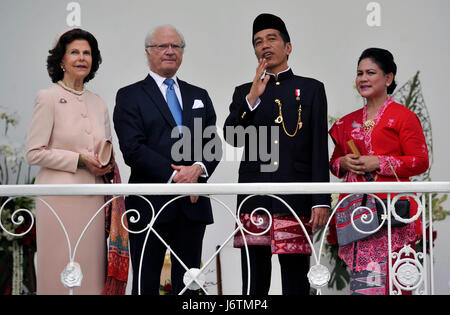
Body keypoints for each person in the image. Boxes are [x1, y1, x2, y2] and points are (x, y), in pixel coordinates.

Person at [223, 13, 331, 295]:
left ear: (288, 47)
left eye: (271, 39)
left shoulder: (311, 89)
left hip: (295, 196)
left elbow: (319, 147)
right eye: (258, 42)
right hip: (254, 196)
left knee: (295, 281)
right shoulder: (243, 92)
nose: (264, 46)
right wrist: (252, 98)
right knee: (253, 283)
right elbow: (232, 137)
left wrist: (321, 199)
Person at [113, 25, 221, 295]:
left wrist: (197, 170)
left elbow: (213, 144)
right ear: (149, 52)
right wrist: (177, 176)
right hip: (149, 204)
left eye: (176, 46)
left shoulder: (199, 95)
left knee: (190, 282)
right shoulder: (129, 96)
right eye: (162, 46)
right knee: (146, 281)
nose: (170, 51)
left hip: (192, 202)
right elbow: (132, 149)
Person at [328, 47, 429, 295]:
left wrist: (379, 163)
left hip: (392, 212)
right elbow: (334, 164)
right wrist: (343, 163)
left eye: (370, 72)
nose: (363, 78)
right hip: (358, 214)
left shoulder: (404, 118)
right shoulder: (346, 122)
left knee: (396, 284)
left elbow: (420, 161)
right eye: (359, 73)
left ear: (388, 78)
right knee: (365, 286)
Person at [26, 28, 115, 294]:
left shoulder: (98, 102)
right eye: (74, 52)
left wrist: (105, 162)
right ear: (61, 60)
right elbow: (34, 152)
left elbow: (106, 147)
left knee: (91, 271)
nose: (81, 58)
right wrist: (78, 160)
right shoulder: (48, 97)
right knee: (59, 268)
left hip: (93, 200)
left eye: (87, 53)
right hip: (58, 200)